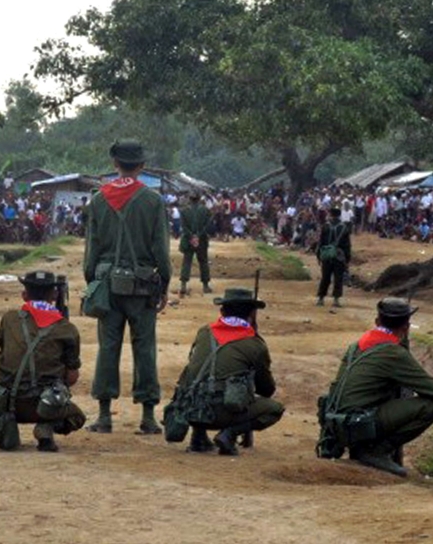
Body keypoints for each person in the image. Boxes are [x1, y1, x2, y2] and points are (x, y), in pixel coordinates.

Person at [317, 298, 433, 476]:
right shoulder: (393, 353)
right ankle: (375, 452)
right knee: (429, 408)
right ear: (406, 327)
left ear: (377, 322)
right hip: (357, 424)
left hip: (336, 423)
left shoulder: (357, 345)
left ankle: (364, 448)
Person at [83, 139, 171, 434]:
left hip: (107, 282)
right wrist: (166, 282)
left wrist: (92, 282)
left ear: (114, 164)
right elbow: (161, 248)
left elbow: (91, 252)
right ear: (142, 166)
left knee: (108, 347)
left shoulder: (97, 200)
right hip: (143, 285)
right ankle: (147, 417)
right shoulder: (153, 200)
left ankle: (104, 416)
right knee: (145, 348)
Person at [170, 288, 284, 456]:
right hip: (221, 415)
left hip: (190, 410)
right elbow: (267, 389)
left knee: (202, 380)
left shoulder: (204, 332)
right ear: (252, 314)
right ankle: (229, 434)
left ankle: (198, 436)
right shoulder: (254, 344)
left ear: (222, 311)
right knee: (274, 409)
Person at [0, 271, 85, 452]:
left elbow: (3, 350)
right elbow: (72, 376)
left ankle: (5, 425)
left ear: (24, 295)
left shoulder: (9, 319)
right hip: (45, 406)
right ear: (54, 295)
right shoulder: (67, 329)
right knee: (77, 417)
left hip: (10, 403)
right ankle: (46, 428)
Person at [178, 191, 212, 296]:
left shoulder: (184, 211)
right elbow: (207, 226)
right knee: (203, 262)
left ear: (189, 199)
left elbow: (184, 227)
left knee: (186, 262)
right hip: (202, 240)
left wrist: (191, 236)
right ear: (199, 198)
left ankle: (183, 285)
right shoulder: (205, 210)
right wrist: (198, 236)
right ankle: (205, 286)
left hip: (188, 240)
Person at [316, 207, 351, 307]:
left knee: (325, 277)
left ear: (330, 214)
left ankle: (321, 299)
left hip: (327, 255)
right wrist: (347, 258)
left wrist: (319, 255)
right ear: (339, 215)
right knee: (338, 278)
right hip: (339, 256)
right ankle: (336, 300)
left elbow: (321, 242)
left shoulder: (325, 226)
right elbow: (347, 245)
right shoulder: (344, 227)